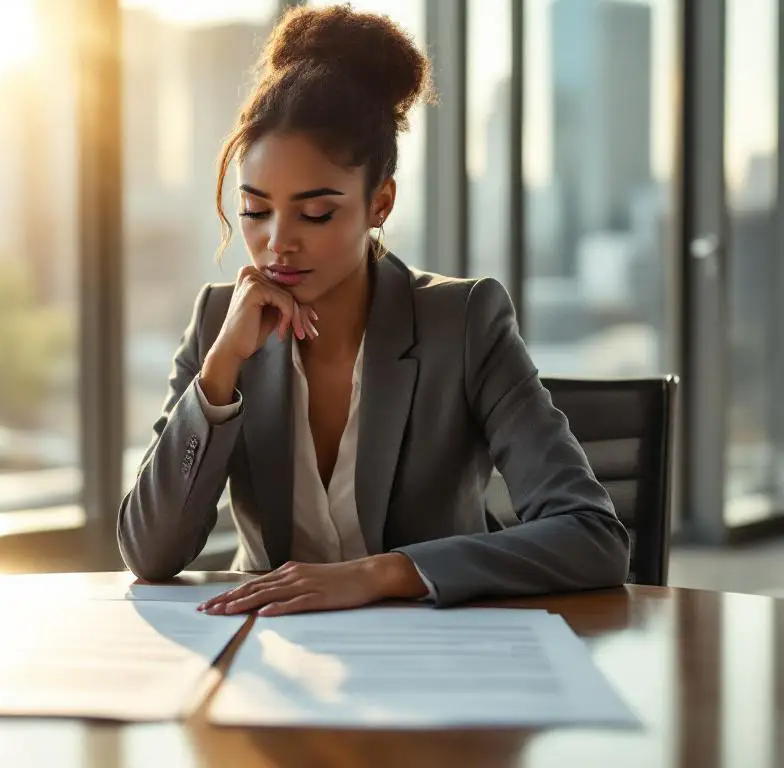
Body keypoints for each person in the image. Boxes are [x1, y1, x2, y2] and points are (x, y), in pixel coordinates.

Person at [118, 4, 629, 615]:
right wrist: (221, 369)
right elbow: (150, 554)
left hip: (430, 660)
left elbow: (592, 535)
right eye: (255, 211)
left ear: (380, 202)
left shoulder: (463, 323)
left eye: (315, 212)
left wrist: (387, 573)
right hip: (270, 659)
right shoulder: (217, 324)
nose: (278, 241)